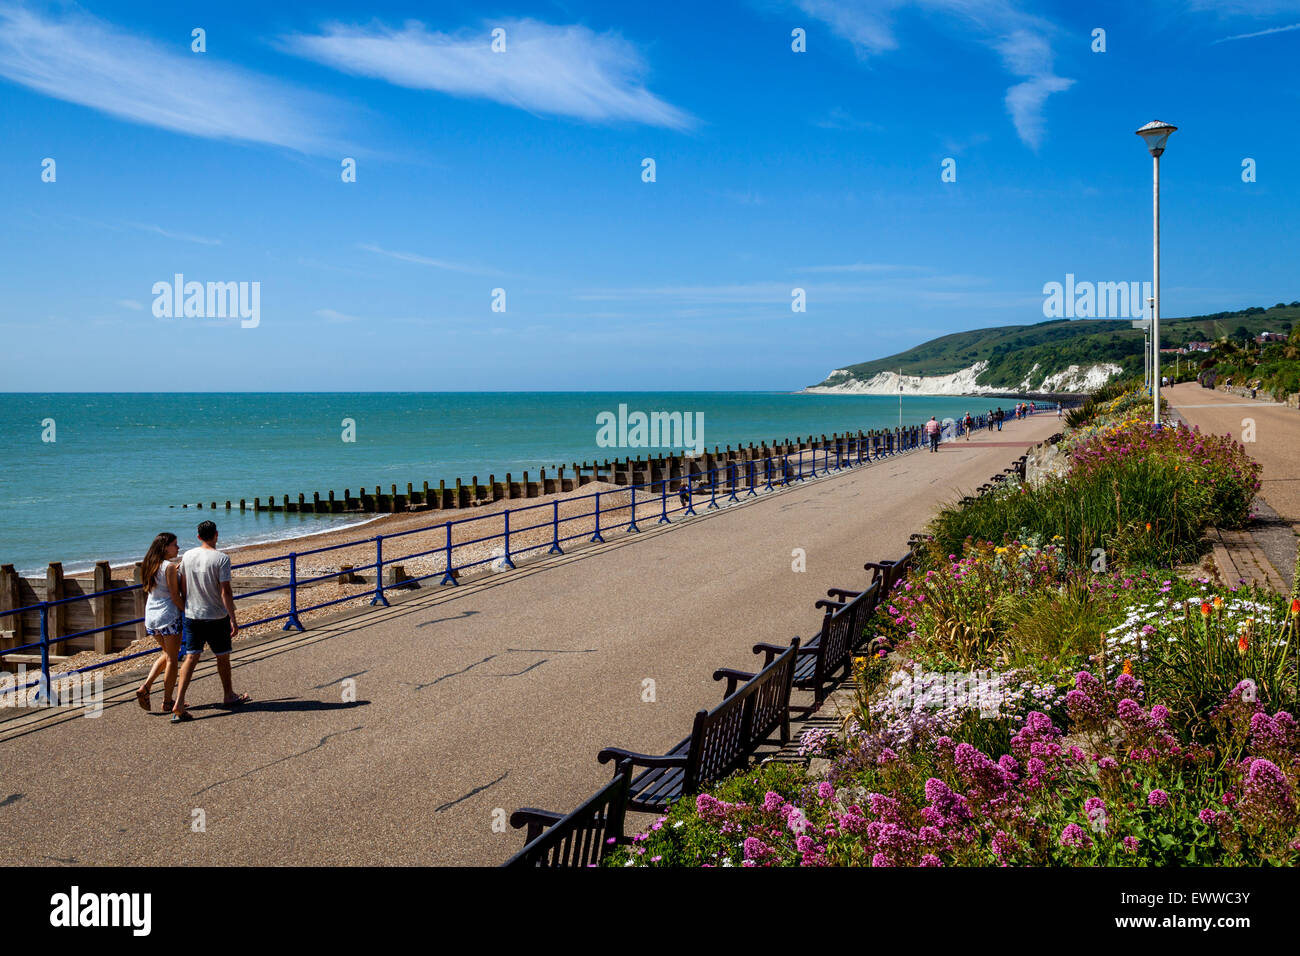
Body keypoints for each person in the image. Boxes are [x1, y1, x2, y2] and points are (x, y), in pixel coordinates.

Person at [170, 521, 249, 723]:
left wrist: (187, 605)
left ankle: (178, 702)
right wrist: (233, 618)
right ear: (216, 534)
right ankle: (228, 695)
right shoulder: (221, 558)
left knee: (191, 657)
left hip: (192, 614)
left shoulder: (187, 555)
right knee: (222, 656)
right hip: (215, 616)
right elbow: (226, 591)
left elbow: (184, 585)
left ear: (198, 537)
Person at [135, 532, 183, 714]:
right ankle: (168, 701)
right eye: (175, 544)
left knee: (166, 653)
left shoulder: (150, 565)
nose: (178, 547)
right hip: (168, 616)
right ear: (165, 547)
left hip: (151, 617)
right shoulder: (169, 567)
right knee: (172, 658)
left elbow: (160, 585)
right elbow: (174, 596)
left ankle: (146, 687)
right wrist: (187, 610)